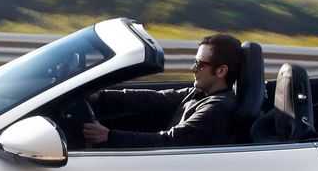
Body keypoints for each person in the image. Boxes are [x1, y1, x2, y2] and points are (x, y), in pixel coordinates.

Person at [82, 33, 242, 149]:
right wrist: (101, 96)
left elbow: (171, 140)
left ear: (221, 71)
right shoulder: (200, 93)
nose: (193, 68)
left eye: (200, 64)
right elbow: (155, 98)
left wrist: (109, 136)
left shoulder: (218, 107)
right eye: (195, 62)